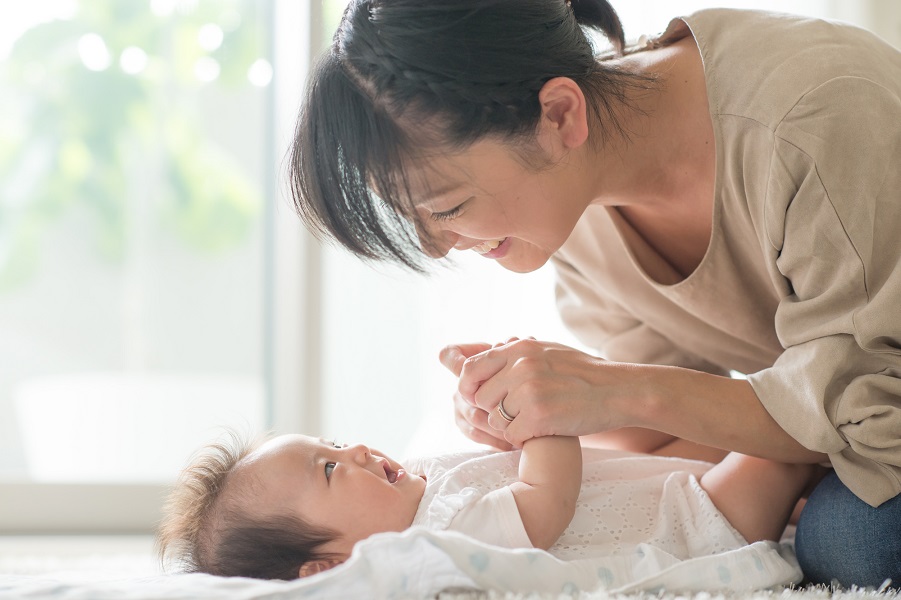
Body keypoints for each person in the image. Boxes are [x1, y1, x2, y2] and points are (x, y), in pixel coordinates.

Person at [288, 0, 901, 587]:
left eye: (447, 208)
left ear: (559, 116)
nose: (437, 247)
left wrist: (613, 388)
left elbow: (878, 420)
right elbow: (665, 438)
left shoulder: (811, 121)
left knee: (853, 538)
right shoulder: (575, 224)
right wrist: (536, 419)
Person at [156, 422, 813, 581]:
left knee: (639, 427)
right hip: (696, 520)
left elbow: (499, 466)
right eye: (328, 468)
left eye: (332, 441)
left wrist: (496, 424)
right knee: (782, 442)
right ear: (328, 569)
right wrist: (541, 419)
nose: (353, 451)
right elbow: (544, 498)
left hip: (645, 481)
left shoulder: (419, 492)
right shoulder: (441, 552)